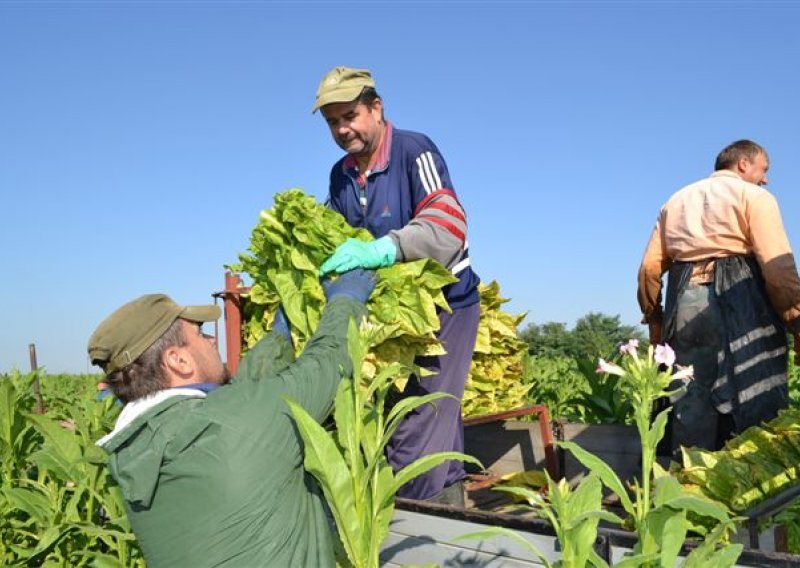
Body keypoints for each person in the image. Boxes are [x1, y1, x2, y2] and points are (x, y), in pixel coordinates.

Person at [88, 270, 376, 567]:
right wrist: (346, 300)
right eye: (200, 335)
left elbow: (242, 397)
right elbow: (329, 364)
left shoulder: (137, 451)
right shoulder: (235, 422)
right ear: (179, 360)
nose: (212, 341)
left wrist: (278, 339)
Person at [312, 66, 480, 505]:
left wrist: (385, 249)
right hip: (392, 319)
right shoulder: (341, 175)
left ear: (376, 107)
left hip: (445, 309)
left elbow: (448, 227)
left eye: (350, 116)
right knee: (405, 418)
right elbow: (334, 234)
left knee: (419, 419)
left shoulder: (413, 151)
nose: (342, 129)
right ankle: (447, 515)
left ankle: (417, 524)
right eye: (333, 122)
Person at [637, 140, 800, 459]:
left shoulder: (677, 199)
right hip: (740, 301)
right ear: (743, 164)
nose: (765, 178)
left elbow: (649, 268)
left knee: (689, 394)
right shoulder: (754, 196)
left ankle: (687, 482)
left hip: (684, 301)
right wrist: (796, 319)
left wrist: (654, 318)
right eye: (763, 169)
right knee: (752, 391)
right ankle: (747, 486)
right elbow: (777, 269)